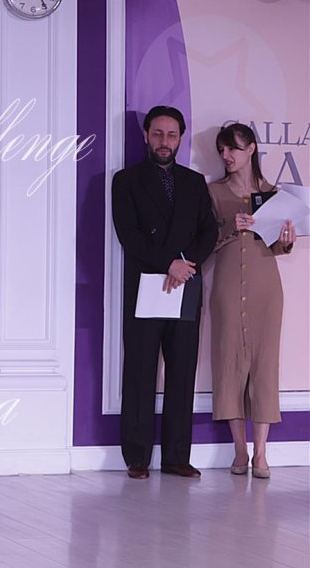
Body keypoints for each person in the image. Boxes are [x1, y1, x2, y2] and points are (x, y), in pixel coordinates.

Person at [111, 105, 218, 480]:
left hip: (185, 283)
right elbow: (129, 234)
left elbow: (209, 231)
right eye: (158, 133)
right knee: (140, 371)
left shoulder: (194, 182)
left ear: (180, 138)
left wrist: (185, 263)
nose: (164, 141)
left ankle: (176, 457)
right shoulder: (126, 180)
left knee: (182, 372)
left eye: (172, 135)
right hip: (146, 284)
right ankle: (137, 458)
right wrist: (168, 263)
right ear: (146, 135)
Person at [209, 123, 295, 479]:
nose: (226, 156)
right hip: (227, 287)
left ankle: (261, 453)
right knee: (228, 362)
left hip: (265, 289)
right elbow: (203, 242)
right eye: (222, 150)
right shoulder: (213, 192)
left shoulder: (274, 194)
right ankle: (239, 450)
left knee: (264, 365)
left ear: (251, 149)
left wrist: (286, 240)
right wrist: (231, 227)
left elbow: (276, 245)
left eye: (232, 148)